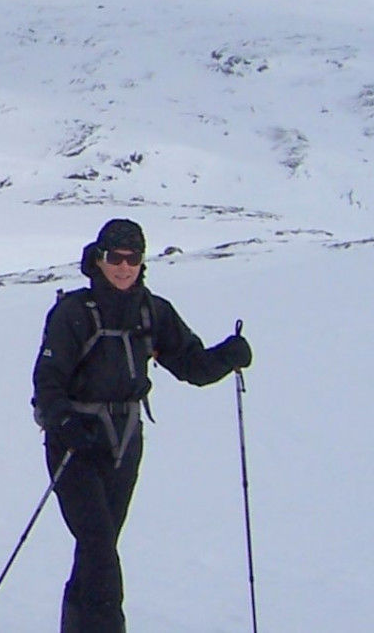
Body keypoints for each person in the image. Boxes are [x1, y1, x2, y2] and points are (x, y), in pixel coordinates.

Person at [30, 219, 253, 633]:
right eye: (116, 257)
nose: (124, 267)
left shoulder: (152, 311)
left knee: (98, 549)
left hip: (125, 441)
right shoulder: (73, 312)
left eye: (134, 258)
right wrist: (63, 421)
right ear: (99, 259)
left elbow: (191, 365)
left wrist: (229, 356)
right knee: (99, 549)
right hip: (75, 445)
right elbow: (48, 380)